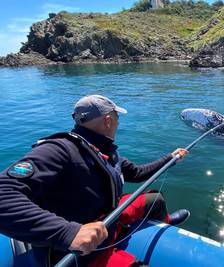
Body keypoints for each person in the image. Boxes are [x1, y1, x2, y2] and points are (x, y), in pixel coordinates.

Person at [0, 95, 190, 267]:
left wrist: (170, 158)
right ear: (108, 120)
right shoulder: (59, 149)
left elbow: (138, 173)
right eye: (117, 118)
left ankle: (164, 224)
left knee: (154, 199)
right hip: (83, 253)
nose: (118, 123)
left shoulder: (104, 150)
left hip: (107, 221)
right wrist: (67, 232)